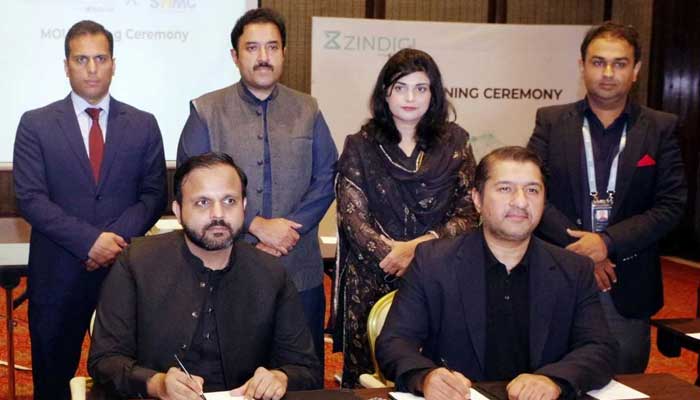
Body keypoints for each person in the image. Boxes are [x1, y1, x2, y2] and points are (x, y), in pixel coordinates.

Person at [376, 146, 617, 400]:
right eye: (505, 189)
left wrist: (554, 380)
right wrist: (425, 377)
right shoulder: (433, 262)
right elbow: (394, 342)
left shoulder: (573, 269)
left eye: (532, 190)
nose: (521, 202)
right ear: (477, 199)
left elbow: (600, 348)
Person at [176, 8, 337, 379]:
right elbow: (190, 185)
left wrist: (289, 230)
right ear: (235, 56)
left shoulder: (308, 109)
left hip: (299, 268)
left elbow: (327, 175)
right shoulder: (206, 111)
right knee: (231, 375)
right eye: (252, 48)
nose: (263, 57)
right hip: (226, 271)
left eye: (272, 47)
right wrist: (256, 225)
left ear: (284, 53)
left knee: (303, 374)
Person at [12, 20, 167, 399]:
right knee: (52, 384)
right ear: (66, 66)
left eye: (100, 58)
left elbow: (153, 195)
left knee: (125, 382)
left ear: (114, 64)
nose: (92, 68)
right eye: (82, 59)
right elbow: (30, 197)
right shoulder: (35, 124)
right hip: (57, 277)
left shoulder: (143, 125)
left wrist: (111, 241)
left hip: (124, 274)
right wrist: (89, 242)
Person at [88, 152, 321, 399]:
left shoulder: (270, 273)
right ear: (178, 210)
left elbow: (306, 368)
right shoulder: (137, 262)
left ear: (244, 207)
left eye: (229, 201)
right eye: (202, 202)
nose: (218, 214)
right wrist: (158, 384)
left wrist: (280, 377)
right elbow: (105, 361)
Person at [527, 21, 686, 373]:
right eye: (598, 62)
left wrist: (607, 243)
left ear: (636, 70)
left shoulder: (661, 127)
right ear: (582, 66)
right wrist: (585, 249)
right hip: (559, 275)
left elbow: (671, 204)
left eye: (620, 63)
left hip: (627, 283)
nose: (608, 73)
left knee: (624, 382)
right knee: (549, 380)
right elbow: (533, 193)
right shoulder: (551, 121)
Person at [333, 48, 478, 387]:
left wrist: (418, 251)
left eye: (420, 88)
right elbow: (352, 218)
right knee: (370, 383)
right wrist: (393, 256)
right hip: (372, 278)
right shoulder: (360, 145)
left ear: (434, 93)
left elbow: (468, 211)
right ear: (385, 93)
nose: (410, 98)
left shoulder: (455, 143)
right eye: (400, 87)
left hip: (438, 276)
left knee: (435, 376)